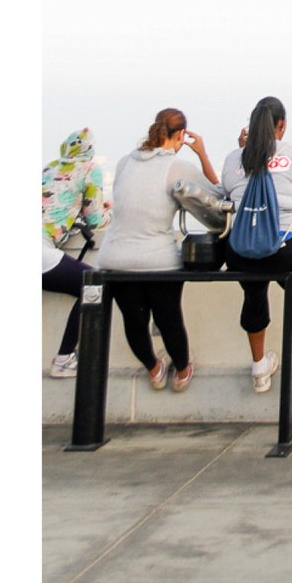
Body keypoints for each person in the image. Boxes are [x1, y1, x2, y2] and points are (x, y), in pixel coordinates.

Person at [212, 97, 292, 396]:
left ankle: (259, 368)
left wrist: (240, 150)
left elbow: (222, 197)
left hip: (242, 249)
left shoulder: (233, 158)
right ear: (281, 126)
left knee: (253, 293)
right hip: (288, 247)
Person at [98, 108, 221, 393]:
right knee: (168, 317)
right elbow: (216, 196)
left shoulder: (124, 162)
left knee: (134, 320)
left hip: (114, 257)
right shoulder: (176, 167)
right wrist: (201, 154)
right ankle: (181, 369)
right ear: (181, 135)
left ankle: (154, 369)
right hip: (157, 259)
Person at [40, 127, 109, 379]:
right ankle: (65, 358)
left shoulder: (49, 168)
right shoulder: (89, 169)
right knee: (94, 285)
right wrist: (108, 212)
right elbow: (96, 218)